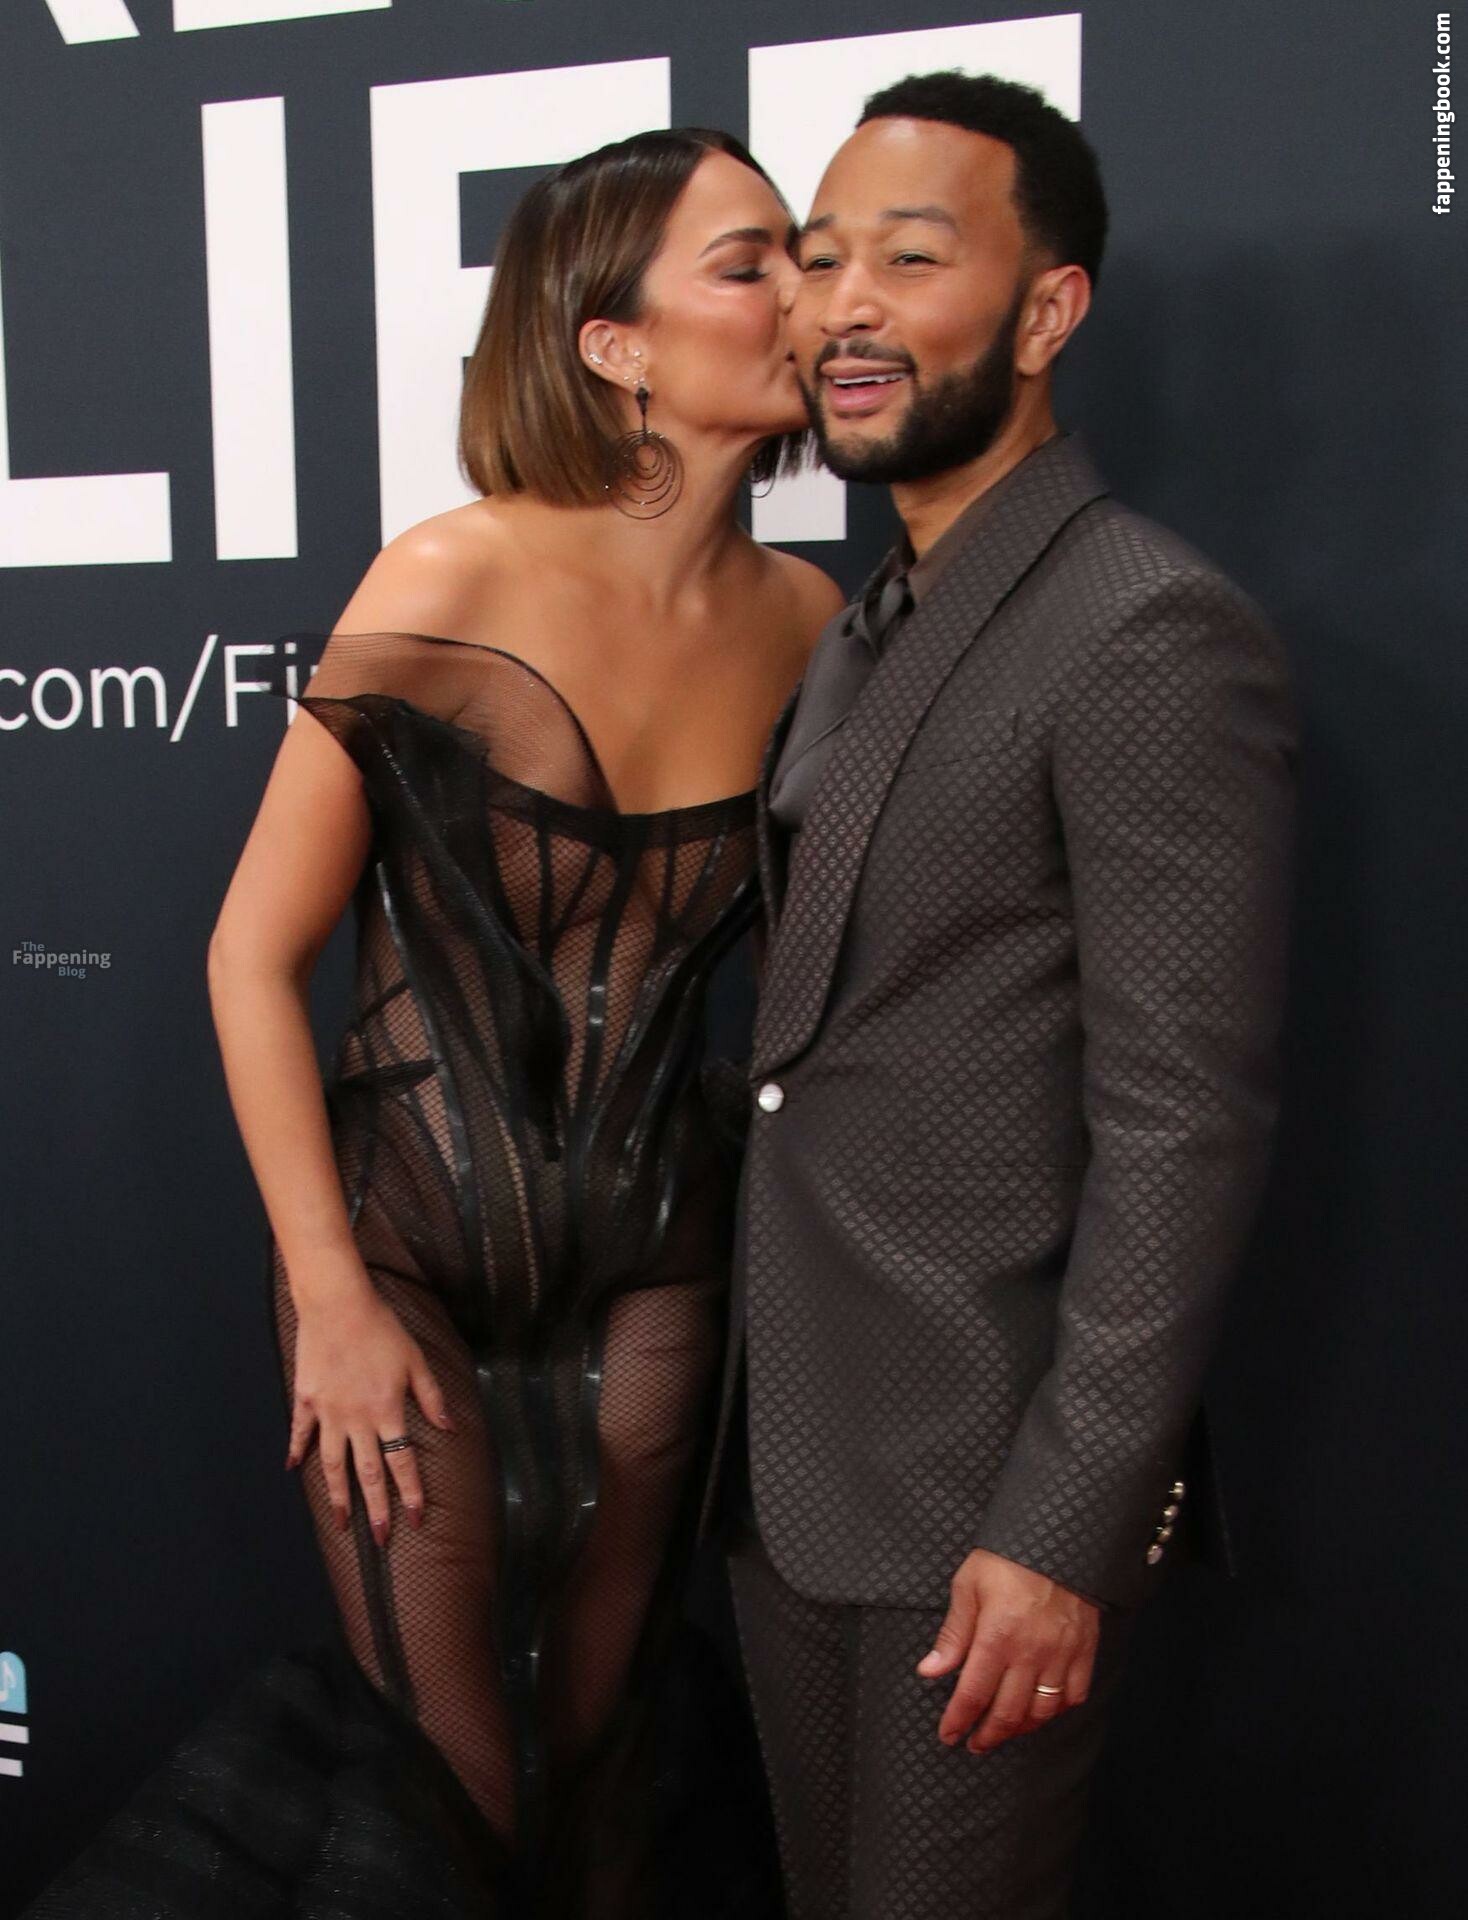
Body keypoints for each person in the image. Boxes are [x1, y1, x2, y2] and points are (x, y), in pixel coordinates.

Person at [22, 128, 840, 1920]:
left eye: (807, 251)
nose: (807, 292)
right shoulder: (448, 580)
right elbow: (250, 956)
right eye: (750, 261)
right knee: (448, 1796)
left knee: (609, 1765)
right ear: (613, 344)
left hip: (660, 1262)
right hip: (400, 1256)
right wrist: (327, 1297)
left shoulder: (813, 622)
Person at [700, 70, 1298, 1918]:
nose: (844, 308)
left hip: (982, 1492)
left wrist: (1063, 1531)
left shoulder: (1143, 624)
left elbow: (1184, 1124)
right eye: (818, 260)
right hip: (792, 1460)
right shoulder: (867, 621)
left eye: (910, 259)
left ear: (1047, 313)